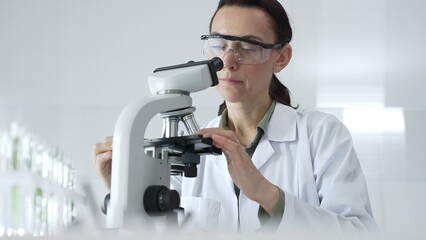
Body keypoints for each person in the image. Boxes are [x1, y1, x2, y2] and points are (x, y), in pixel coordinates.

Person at [93, 0, 379, 236]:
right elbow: (162, 234)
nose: (228, 61)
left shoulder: (322, 135)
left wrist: (265, 193)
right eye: (219, 45)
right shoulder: (189, 148)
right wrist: (126, 192)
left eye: (248, 47)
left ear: (281, 58)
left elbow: (361, 233)